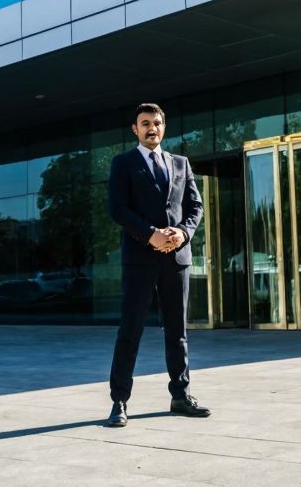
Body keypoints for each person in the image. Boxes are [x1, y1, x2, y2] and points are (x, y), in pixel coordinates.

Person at [105, 103, 209, 427]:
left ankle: (181, 395)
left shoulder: (180, 163)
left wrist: (182, 232)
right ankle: (119, 402)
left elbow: (195, 206)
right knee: (130, 331)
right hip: (140, 258)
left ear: (164, 126)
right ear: (134, 129)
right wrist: (149, 234)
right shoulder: (123, 163)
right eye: (145, 123)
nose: (152, 128)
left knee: (177, 331)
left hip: (177, 259)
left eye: (157, 122)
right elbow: (117, 208)